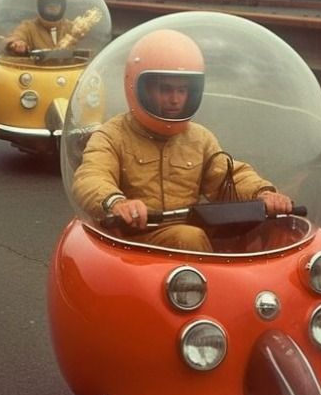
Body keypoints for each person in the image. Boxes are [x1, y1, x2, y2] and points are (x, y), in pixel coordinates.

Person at [72, 29, 292, 252]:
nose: (175, 100)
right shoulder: (112, 135)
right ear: (139, 88)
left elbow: (230, 176)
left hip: (189, 233)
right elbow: (90, 177)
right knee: (189, 237)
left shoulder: (199, 138)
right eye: (165, 89)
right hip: (133, 239)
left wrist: (263, 194)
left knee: (265, 231)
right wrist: (117, 203)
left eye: (182, 90)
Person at [5, 0, 101, 55]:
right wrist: (17, 43)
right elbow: (16, 36)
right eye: (49, 6)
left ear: (62, 7)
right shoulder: (28, 27)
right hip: (37, 73)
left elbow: (89, 46)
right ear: (41, 7)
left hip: (66, 72)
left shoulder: (70, 27)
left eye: (57, 6)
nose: (54, 9)